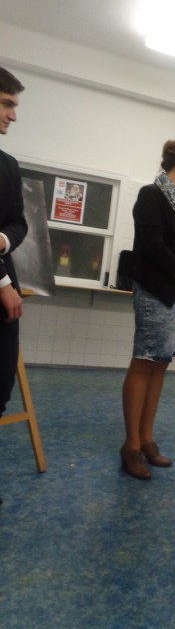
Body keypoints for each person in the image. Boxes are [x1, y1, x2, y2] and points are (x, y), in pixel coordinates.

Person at [120, 140, 175, 479]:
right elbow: (154, 246)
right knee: (145, 361)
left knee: (160, 365)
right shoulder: (151, 195)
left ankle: (146, 439)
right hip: (156, 290)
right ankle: (131, 446)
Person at [0, 67, 28, 506]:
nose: (13, 115)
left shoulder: (8, 165)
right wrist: (3, 280)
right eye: (6, 103)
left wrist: (3, 240)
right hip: (2, 287)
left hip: (4, 304)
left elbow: (18, 222)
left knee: (1, 384)